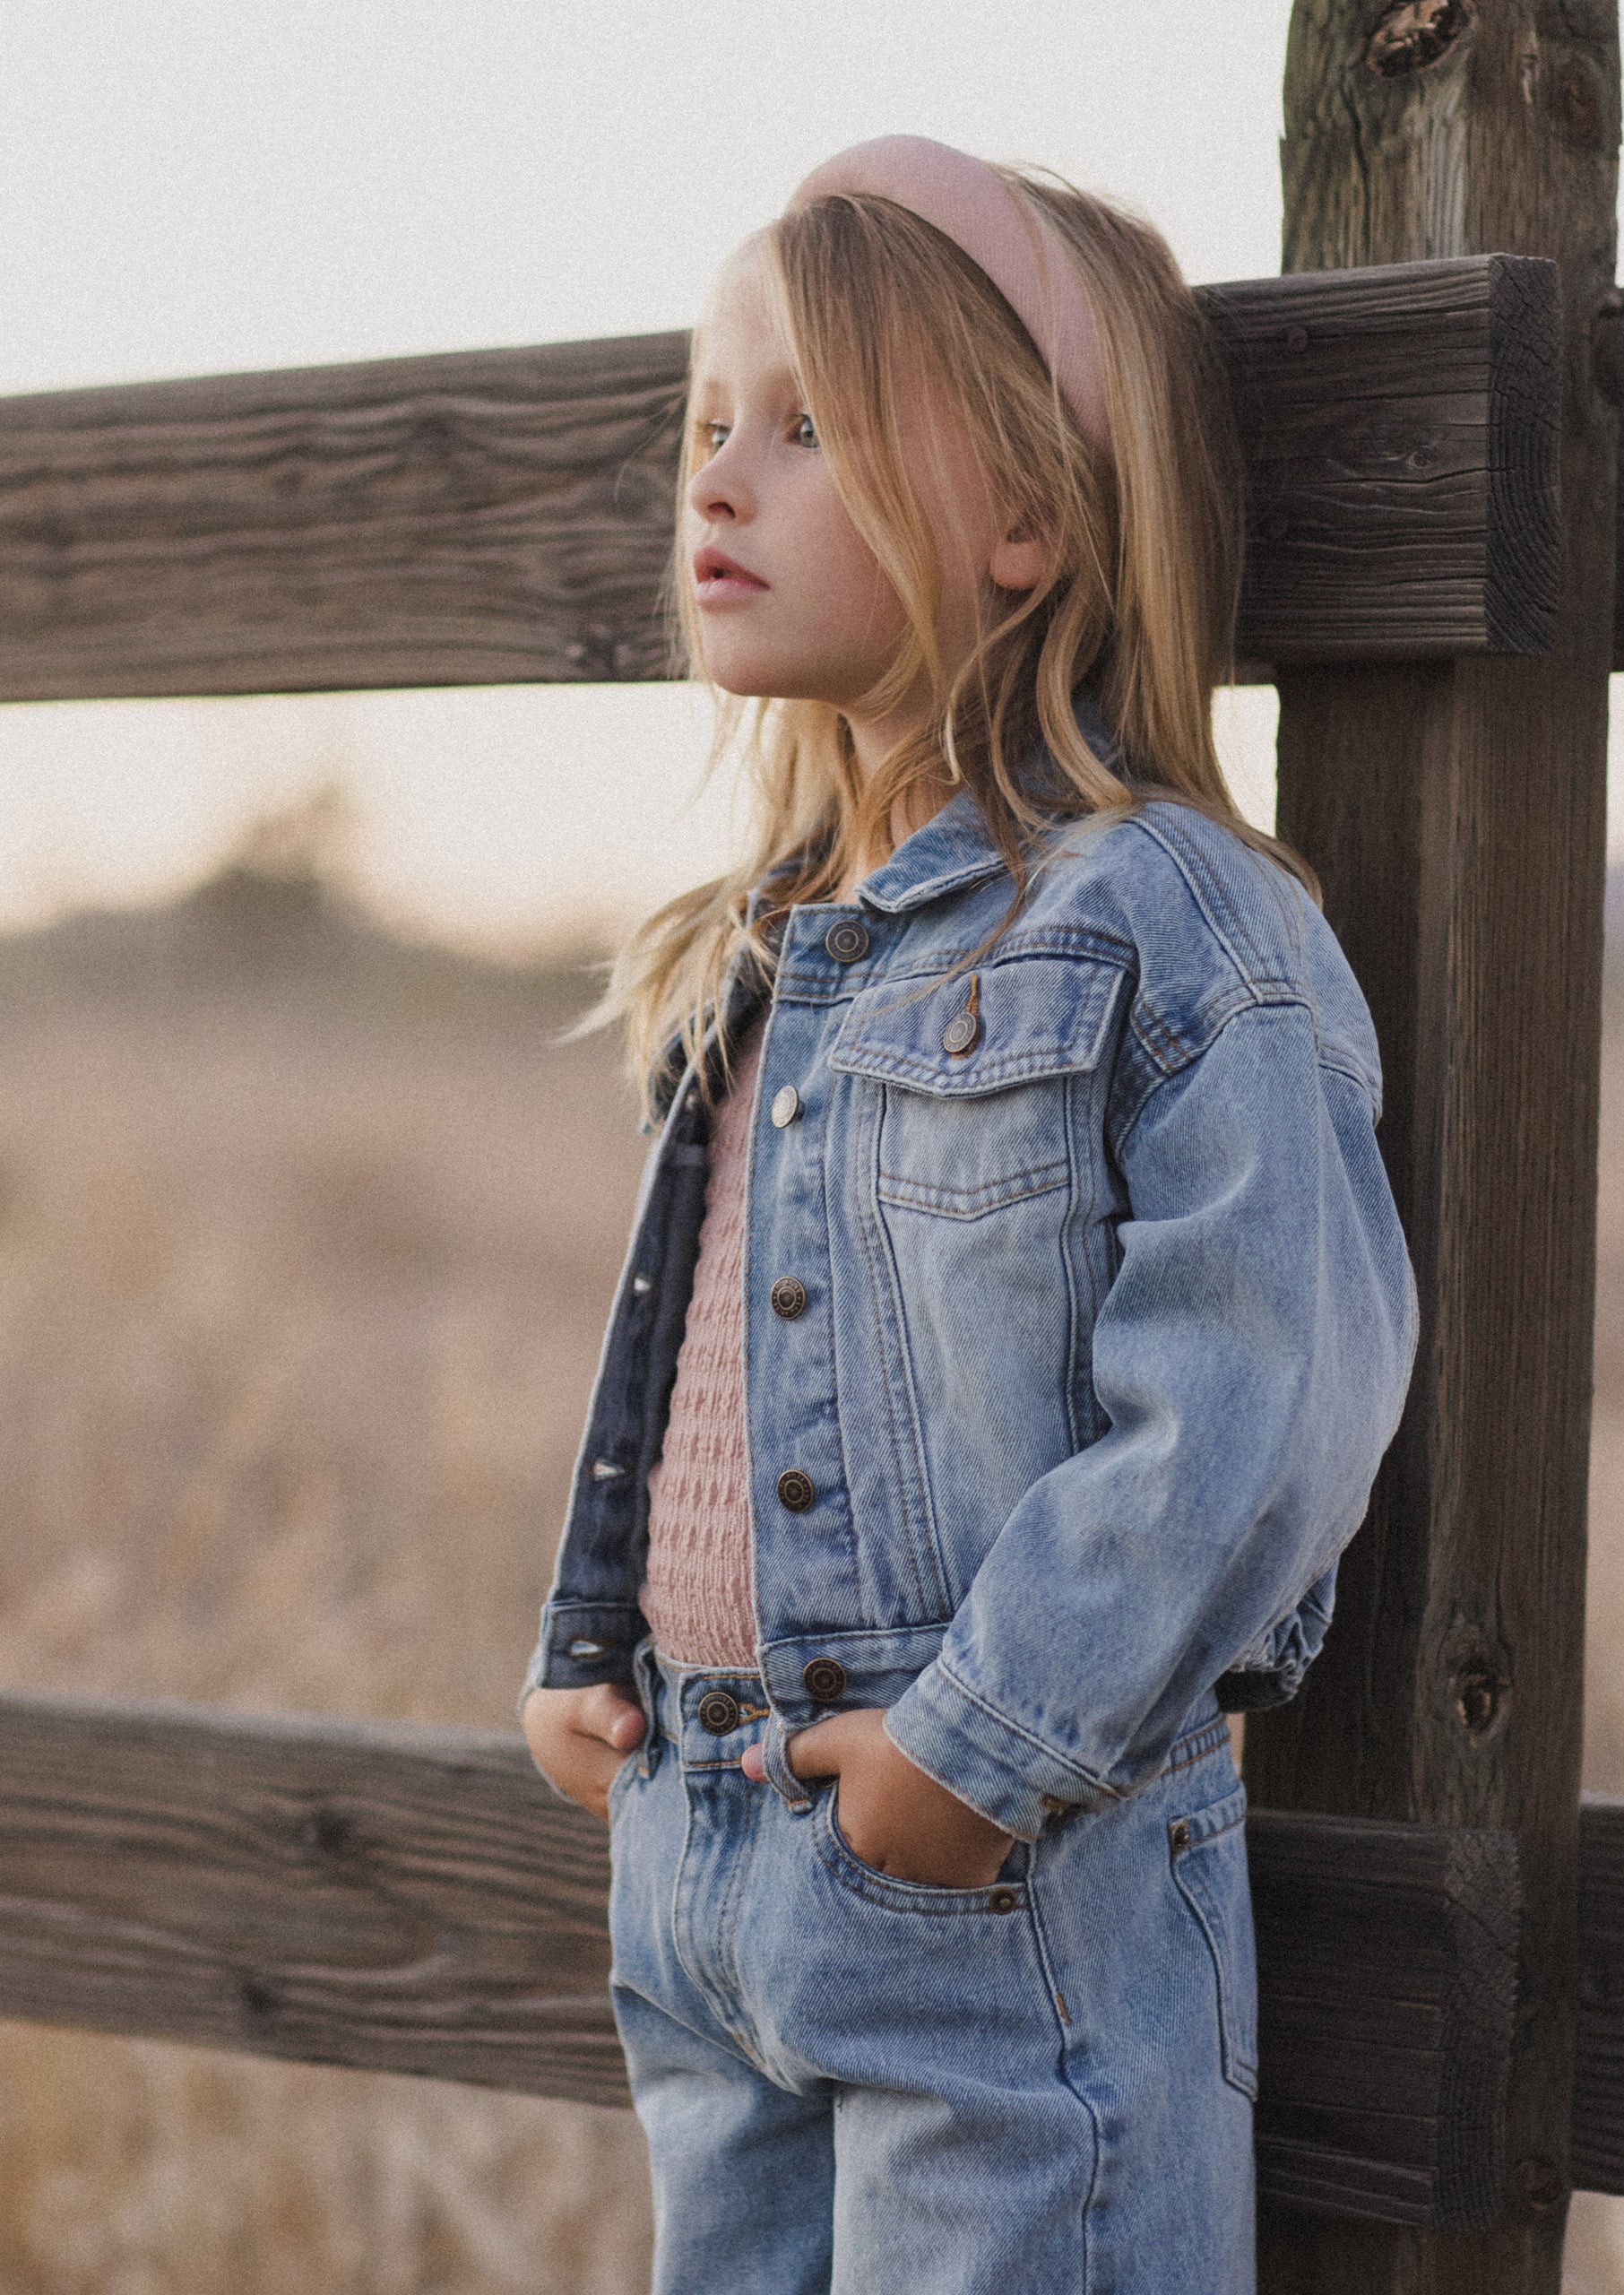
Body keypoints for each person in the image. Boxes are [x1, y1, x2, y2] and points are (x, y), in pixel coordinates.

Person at [521, 134, 1416, 2295]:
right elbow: (694, 1336)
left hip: (1000, 1883)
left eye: (812, 426)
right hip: (713, 1845)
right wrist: (584, 1646)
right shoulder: (768, 943)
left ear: (1025, 520)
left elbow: (1261, 1392)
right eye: (710, 423)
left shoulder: (1165, 921)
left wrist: (974, 1750)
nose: (721, 479)